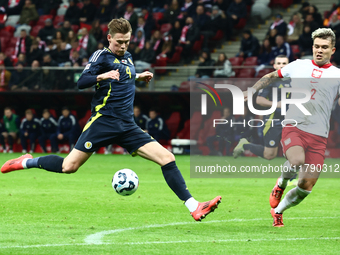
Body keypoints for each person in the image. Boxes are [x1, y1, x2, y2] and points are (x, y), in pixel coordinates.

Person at [1, 18, 222, 222]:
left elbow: (123, 73)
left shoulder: (128, 56)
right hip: (103, 121)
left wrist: (138, 76)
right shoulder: (100, 56)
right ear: (109, 38)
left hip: (127, 125)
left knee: (167, 157)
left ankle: (194, 206)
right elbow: (82, 81)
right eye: (119, 42)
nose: (123, 46)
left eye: (126, 41)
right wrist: (101, 76)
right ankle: (26, 162)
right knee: (69, 166)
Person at [243, 28, 340, 227]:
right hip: (294, 125)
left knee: (306, 187)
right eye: (316, 46)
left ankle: (278, 211)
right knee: (296, 160)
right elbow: (271, 76)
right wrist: (253, 89)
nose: (319, 50)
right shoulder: (298, 66)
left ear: (333, 50)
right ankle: (280, 184)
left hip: (319, 134)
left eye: (324, 47)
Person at [233, 55, 291, 159]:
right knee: (269, 155)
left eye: (284, 63)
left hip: (291, 119)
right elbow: (259, 100)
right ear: (274, 66)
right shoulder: (270, 81)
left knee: (297, 148)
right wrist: (277, 104)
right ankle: (244, 144)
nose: (281, 66)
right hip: (273, 119)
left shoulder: (295, 80)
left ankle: (292, 173)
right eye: (279, 63)